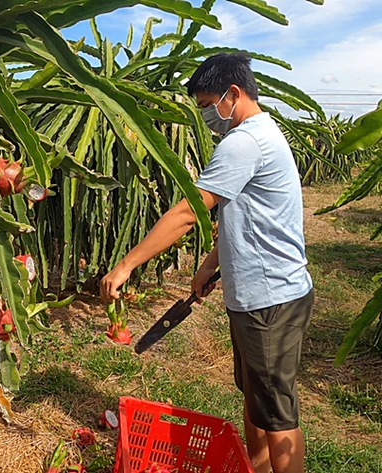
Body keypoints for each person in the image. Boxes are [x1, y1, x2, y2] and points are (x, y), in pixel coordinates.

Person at [99, 53, 314, 473]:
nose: (206, 117)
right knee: (256, 401)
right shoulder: (261, 134)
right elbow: (247, 216)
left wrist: (125, 265)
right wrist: (209, 266)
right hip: (255, 296)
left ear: (233, 94)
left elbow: (188, 212)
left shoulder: (245, 141)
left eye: (205, 105)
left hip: (271, 298)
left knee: (277, 414)